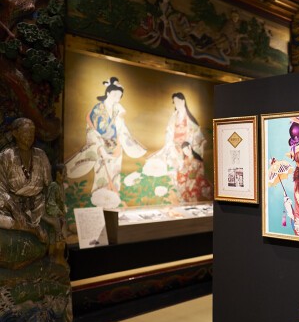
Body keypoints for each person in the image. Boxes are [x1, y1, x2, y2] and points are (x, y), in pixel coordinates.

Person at [65, 77, 147, 208]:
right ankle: (100, 205)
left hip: (116, 148)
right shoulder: (98, 109)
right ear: (108, 93)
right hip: (101, 147)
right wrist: (100, 148)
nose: (117, 98)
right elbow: (91, 130)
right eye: (115, 94)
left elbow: (122, 130)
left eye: (119, 96)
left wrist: (121, 144)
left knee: (115, 174)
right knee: (102, 175)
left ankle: (114, 203)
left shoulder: (117, 110)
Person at [143, 93, 206, 196]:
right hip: (174, 146)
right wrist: (170, 144)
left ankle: (187, 190)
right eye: (175, 102)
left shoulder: (189, 118)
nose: (176, 104)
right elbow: (169, 131)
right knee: (170, 163)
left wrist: (189, 145)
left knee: (187, 166)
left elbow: (196, 133)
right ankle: (175, 190)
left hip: (186, 146)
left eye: (178, 101)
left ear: (183, 101)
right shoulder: (174, 116)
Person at [0, 118, 52, 243]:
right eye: (26, 132)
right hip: (12, 206)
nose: (30, 136)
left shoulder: (40, 155)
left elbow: (49, 184)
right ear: (15, 133)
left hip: (37, 206)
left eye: (32, 132)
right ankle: (32, 229)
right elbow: (1, 188)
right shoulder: (6, 156)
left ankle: (31, 225)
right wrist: (14, 209)